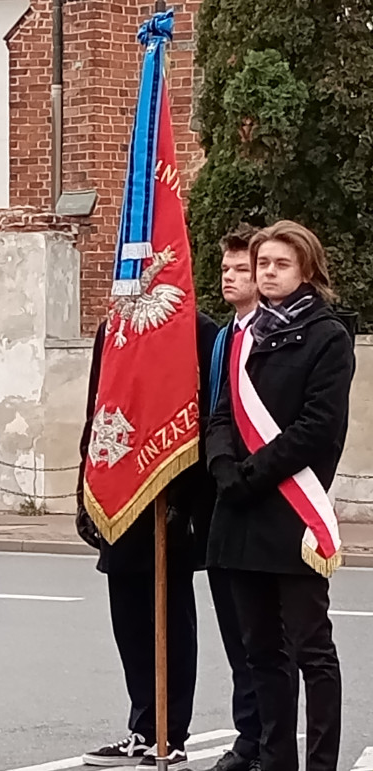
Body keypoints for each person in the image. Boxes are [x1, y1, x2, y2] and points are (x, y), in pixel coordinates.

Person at [207, 220, 353, 771]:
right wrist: (223, 467)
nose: (267, 273)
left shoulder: (327, 336)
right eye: (261, 263)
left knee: (310, 651)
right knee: (261, 652)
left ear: (306, 269)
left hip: (291, 512)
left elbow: (317, 427)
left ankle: (319, 763)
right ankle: (274, 761)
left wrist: (251, 475)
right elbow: (222, 412)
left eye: (279, 264)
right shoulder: (245, 333)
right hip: (240, 514)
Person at [77, 311, 218, 771]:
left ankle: (170, 733)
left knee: (171, 619)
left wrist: (190, 499)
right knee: (131, 622)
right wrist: (86, 490)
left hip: (172, 494)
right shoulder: (113, 329)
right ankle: (142, 727)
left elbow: (207, 415)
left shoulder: (198, 330)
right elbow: (97, 410)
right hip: (122, 488)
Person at [202, 225, 264, 771]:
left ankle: (268, 739)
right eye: (225, 269)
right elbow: (216, 409)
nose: (230, 277)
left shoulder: (273, 334)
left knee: (269, 638)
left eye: (240, 269)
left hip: (266, 491)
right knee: (235, 629)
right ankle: (249, 736)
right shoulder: (226, 336)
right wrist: (220, 466)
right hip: (225, 491)